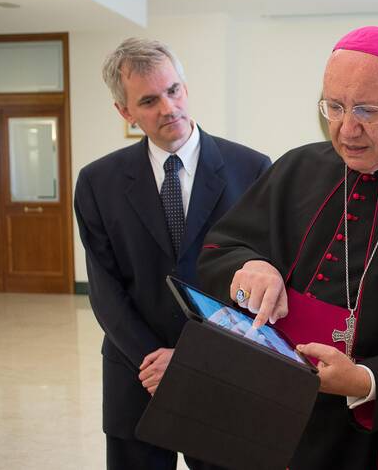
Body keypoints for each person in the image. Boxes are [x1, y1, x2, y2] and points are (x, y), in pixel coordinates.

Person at [197, 26, 378, 470]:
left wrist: (364, 379)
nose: (346, 128)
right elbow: (221, 251)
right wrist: (251, 267)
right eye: (333, 107)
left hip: (366, 432)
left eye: (367, 110)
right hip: (265, 402)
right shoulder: (297, 167)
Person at [74, 37, 271, 470]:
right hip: (136, 374)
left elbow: (263, 281)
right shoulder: (97, 182)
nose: (168, 108)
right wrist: (153, 358)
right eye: (148, 100)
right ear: (124, 112)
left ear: (185, 86)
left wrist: (192, 359)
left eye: (173, 90)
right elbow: (105, 292)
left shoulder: (253, 170)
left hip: (222, 374)